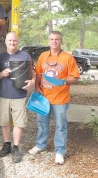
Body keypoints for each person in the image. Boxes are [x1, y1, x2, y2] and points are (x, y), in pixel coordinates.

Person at [28, 31, 80, 165]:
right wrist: (37, 88)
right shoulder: (43, 56)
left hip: (60, 99)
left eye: (57, 39)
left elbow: (75, 77)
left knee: (61, 126)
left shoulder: (68, 58)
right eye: (52, 39)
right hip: (44, 97)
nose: (54, 41)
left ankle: (60, 151)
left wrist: (64, 81)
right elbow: (38, 73)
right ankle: (40, 145)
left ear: (60, 41)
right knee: (42, 123)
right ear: (49, 41)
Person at [0, 32, 35, 163]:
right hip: (3, 94)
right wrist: (1, 74)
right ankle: (7, 144)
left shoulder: (25, 55)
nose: (12, 43)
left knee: (19, 122)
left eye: (15, 41)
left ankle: (16, 147)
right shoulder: (0, 56)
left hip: (19, 95)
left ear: (18, 42)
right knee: (4, 121)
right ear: (5, 41)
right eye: (10, 40)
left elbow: (33, 72)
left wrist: (33, 81)